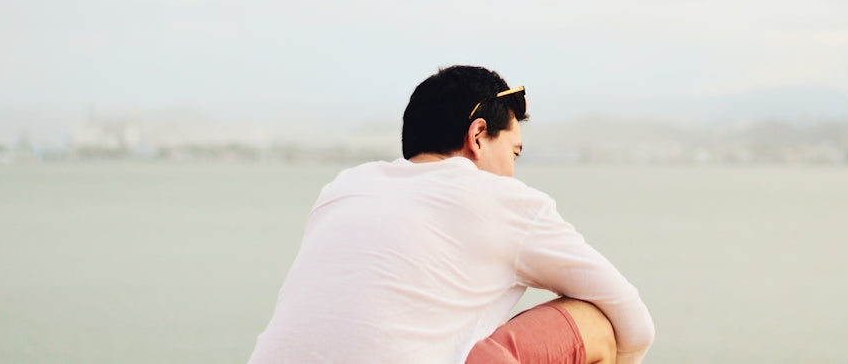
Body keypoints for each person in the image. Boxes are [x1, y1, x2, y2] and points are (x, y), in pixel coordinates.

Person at [246, 65, 655, 364]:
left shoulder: (342, 189)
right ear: (478, 136)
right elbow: (634, 324)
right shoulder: (501, 199)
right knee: (595, 320)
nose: (513, 170)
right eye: (513, 152)